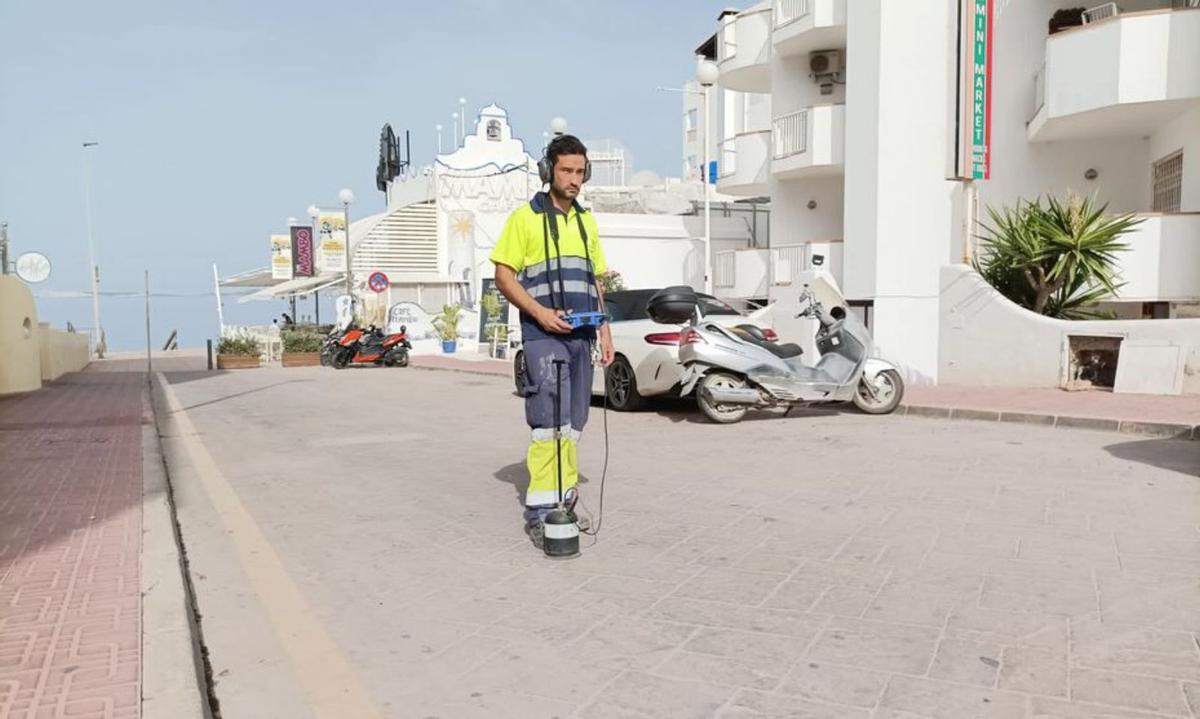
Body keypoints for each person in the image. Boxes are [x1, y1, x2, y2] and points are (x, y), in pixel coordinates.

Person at [490, 134, 615, 549]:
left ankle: (563, 500)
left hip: (581, 336)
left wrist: (605, 331)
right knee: (549, 422)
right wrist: (540, 313)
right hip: (542, 334)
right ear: (549, 171)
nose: (574, 179)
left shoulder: (586, 221)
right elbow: (504, 275)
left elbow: (596, 280)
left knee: (574, 424)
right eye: (566, 170)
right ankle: (540, 512)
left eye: (580, 172)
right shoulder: (524, 219)